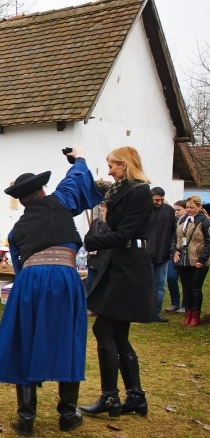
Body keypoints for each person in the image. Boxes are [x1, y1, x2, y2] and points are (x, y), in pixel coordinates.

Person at [0, 147, 102, 437]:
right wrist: (79, 159)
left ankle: (26, 418)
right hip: (64, 278)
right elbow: (74, 181)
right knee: (68, 339)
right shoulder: (60, 202)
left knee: (25, 340)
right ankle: (67, 414)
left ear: (22, 200)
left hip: (30, 283)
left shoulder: (16, 231)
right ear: (43, 191)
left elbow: (20, 266)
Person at [80, 146, 157, 419]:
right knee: (118, 334)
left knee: (103, 329)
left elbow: (124, 232)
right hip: (121, 262)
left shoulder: (139, 192)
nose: (109, 170)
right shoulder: (121, 190)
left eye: (112, 165)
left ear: (124, 165)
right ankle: (135, 397)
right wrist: (78, 162)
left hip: (130, 266)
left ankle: (110, 398)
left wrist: (88, 241)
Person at [172, 194, 210, 327]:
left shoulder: (205, 221)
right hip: (184, 260)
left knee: (195, 289)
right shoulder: (182, 220)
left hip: (198, 260)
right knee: (186, 288)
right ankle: (188, 313)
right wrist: (174, 251)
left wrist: (202, 258)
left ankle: (195, 314)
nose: (189, 210)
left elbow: (208, 242)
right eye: (187, 207)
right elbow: (174, 237)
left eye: (191, 207)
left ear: (199, 207)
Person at [147, 187, 175, 321]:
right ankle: (146, 312)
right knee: (148, 284)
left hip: (163, 255)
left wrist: (172, 249)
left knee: (161, 286)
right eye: (156, 200)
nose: (159, 202)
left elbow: (173, 232)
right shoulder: (144, 211)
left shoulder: (169, 211)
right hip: (147, 254)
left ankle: (156, 312)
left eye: (161, 200)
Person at [165, 200, 187, 314]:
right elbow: (172, 237)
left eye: (179, 210)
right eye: (175, 210)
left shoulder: (190, 222)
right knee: (171, 278)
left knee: (185, 280)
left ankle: (185, 304)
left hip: (186, 255)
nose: (176, 212)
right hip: (173, 254)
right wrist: (173, 250)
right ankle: (175, 302)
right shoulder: (174, 222)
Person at [85, 201, 110, 296]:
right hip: (93, 260)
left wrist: (97, 247)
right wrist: (90, 248)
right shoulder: (95, 222)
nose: (102, 209)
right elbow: (87, 237)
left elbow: (109, 241)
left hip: (104, 260)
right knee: (89, 284)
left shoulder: (111, 224)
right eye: (101, 206)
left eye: (104, 207)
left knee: (102, 286)